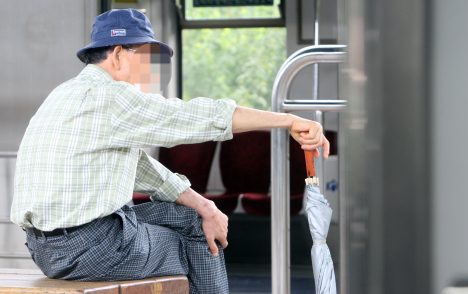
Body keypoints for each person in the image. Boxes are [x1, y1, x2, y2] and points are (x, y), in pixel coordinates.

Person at [10, 9, 329, 294]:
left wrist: (206, 205)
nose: (149, 70)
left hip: (44, 248)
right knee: (205, 241)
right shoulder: (113, 97)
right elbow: (197, 117)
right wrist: (288, 120)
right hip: (91, 247)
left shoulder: (64, 95)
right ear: (119, 54)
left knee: (195, 216)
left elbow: (141, 168)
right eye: (144, 57)